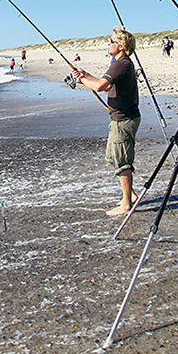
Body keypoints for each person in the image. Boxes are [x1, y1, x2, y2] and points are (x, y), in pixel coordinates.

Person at [72, 26, 140, 217]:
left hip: (123, 120)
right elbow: (105, 82)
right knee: (113, 156)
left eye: (112, 41)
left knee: (122, 161)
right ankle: (131, 195)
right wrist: (84, 75)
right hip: (121, 118)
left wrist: (82, 81)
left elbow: (101, 87)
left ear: (122, 46)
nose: (108, 43)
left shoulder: (122, 64)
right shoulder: (120, 63)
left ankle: (126, 203)